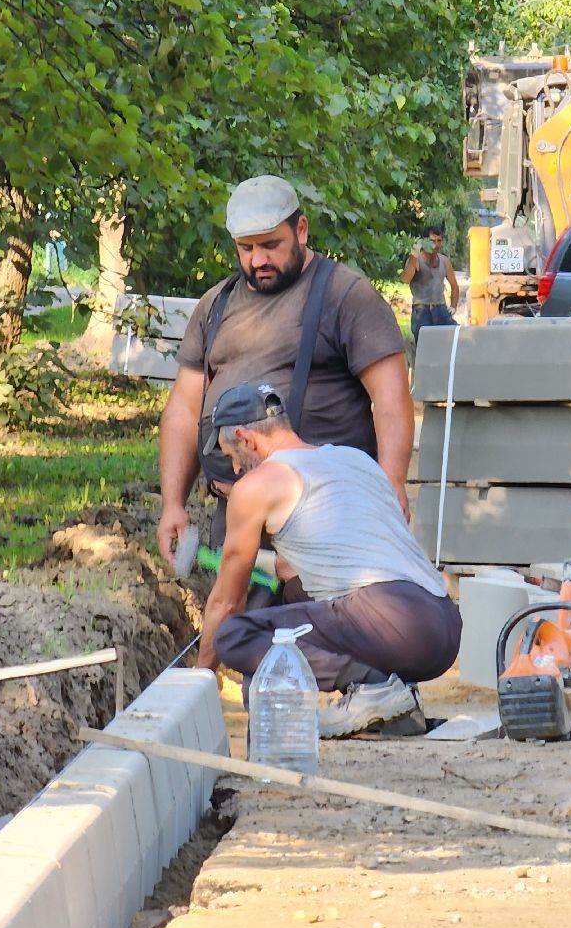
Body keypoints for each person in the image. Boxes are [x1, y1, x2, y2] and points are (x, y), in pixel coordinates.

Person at [156, 175, 414, 562]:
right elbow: (184, 409)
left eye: (271, 244)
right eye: (246, 248)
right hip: (239, 519)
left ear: (302, 229)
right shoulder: (215, 305)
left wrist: (391, 482)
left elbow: (390, 394)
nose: (258, 259)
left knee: (319, 622)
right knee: (238, 622)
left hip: (325, 519)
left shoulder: (345, 295)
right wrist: (173, 504)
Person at [195, 382, 461, 738]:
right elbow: (301, 571)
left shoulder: (258, 486)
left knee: (236, 635)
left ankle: (371, 687)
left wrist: (197, 684)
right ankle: (397, 703)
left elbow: (228, 601)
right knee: (296, 593)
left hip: (394, 621)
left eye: (231, 455)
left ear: (246, 437)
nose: (236, 469)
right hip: (441, 625)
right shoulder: (354, 459)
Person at [401, 225, 460, 342]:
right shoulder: (416, 260)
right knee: (425, 347)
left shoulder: (444, 261)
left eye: (439, 241)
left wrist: (453, 306)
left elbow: (454, 286)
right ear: (425, 241)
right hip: (422, 310)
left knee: (456, 338)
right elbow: (406, 279)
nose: (436, 245)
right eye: (433, 241)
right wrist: (414, 255)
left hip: (441, 308)